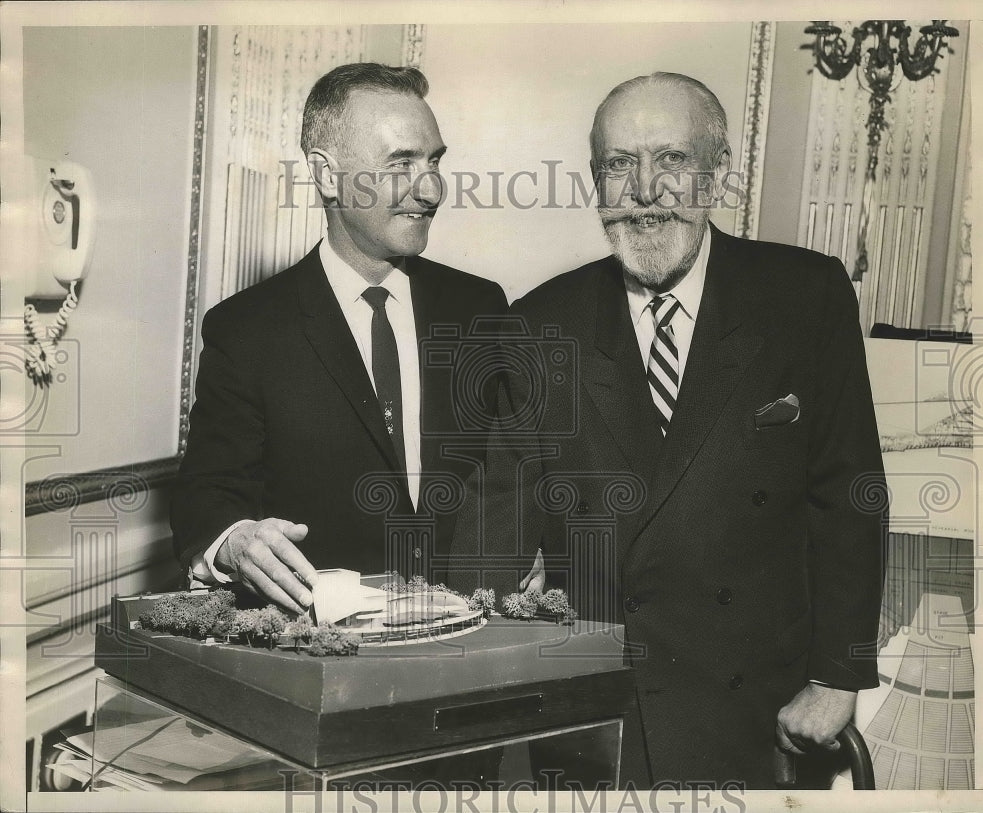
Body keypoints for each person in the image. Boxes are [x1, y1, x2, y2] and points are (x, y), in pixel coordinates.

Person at [494, 72, 886, 789]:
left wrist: (838, 675)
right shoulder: (537, 323)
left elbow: (850, 494)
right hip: (598, 720)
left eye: (671, 159)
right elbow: (500, 526)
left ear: (718, 171)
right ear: (595, 180)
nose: (646, 190)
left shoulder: (805, 297)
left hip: (758, 716)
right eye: (619, 164)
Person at [171, 63, 508, 615]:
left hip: (468, 642)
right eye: (401, 164)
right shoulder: (247, 330)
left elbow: (518, 475)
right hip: (322, 656)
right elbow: (205, 494)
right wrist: (235, 541)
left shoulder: (481, 309)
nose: (431, 189)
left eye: (435, 161)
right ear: (328, 176)